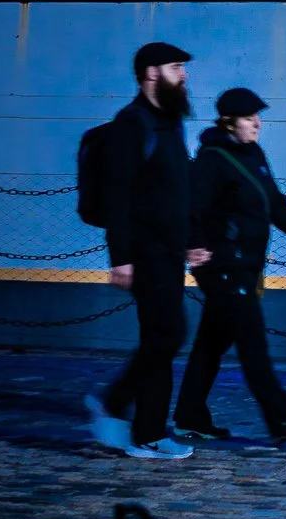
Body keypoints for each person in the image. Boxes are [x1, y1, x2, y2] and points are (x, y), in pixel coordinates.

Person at [174, 87, 286, 447]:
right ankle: (282, 420)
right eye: (250, 118)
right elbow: (191, 207)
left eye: (257, 117)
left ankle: (189, 416)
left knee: (211, 344)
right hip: (224, 267)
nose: (257, 123)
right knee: (252, 344)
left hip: (246, 266)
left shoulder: (253, 155)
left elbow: (275, 206)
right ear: (230, 122)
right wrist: (195, 246)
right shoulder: (212, 159)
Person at [84, 42, 209, 460]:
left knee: (163, 337)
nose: (184, 74)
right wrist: (120, 257)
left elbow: (181, 190)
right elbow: (119, 198)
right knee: (169, 333)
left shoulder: (169, 124)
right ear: (152, 72)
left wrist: (192, 239)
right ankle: (127, 413)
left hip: (169, 250)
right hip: (143, 250)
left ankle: (142, 425)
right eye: (177, 67)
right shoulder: (130, 125)